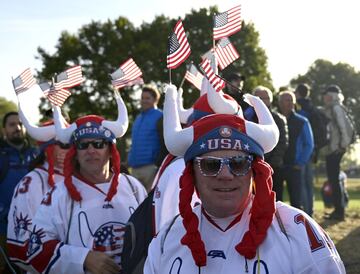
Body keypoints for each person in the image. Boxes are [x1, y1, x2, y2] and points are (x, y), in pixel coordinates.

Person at [144, 86, 344, 273]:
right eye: (210, 165)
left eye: (238, 163)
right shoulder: (167, 238)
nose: (225, 174)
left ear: (255, 170)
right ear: (191, 173)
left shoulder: (296, 231)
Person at [24, 91, 147, 274]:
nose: (91, 150)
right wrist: (83, 258)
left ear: (110, 150)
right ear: (76, 152)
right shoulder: (60, 194)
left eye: (98, 144)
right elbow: (35, 248)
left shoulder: (133, 186)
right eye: (83, 145)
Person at [6, 103, 70, 271]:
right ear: (48, 149)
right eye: (63, 145)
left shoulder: (76, 178)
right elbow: (22, 247)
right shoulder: (33, 182)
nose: (70, 151)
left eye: (72, 145)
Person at [0, 111, 38, 274]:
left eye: (21, 124)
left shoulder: (38, 154)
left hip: (37, 230)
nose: (18, 128)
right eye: (12, 124)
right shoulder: (1, 156)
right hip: (4, 229)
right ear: (4, 130)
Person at [278, 91, 314, 209]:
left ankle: (298, 226)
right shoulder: (274, 119)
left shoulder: (302, 121)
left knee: (297, 202)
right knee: (276, 201)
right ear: (279, 102)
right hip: (277, 167)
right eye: (286, 100)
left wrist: (300, 163)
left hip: (294, 167)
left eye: (291, 100)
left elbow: (309, 144)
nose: (289, 103)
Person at [128, 85, 168, 191]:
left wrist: (158, 164)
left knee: (149, 203)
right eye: (142, 98)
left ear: (155, 100)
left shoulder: (161, 117)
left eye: (147, 98)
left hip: (151, 167)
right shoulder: (138, 118)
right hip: (135, 167)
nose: (144, 101)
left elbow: (165, 143)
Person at [253, 86, 288, 202]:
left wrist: (273, 163)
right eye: (259, 98)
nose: (263, 101)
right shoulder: (246, 118)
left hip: (274, 168)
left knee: (275, 199)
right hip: (253, 167)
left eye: (266, 98)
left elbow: (283, 142)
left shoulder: (279, 119)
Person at [322, 84, 352, 220]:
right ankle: (338, 210)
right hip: (334, 148)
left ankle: (339, 212)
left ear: (332, 96)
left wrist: (342, 145)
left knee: (334, 180)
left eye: (327, 94)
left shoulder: (336, 108)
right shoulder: (333, 108)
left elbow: (344, 128)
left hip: (336, 149)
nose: (324, 97)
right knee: (334, 180)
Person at [294, 83, 316, 216]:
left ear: (298, 93)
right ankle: (310, 211)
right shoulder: (312, 107)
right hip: (311, 151)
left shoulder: (299, 109)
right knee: (309, 185)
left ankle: (307, 214)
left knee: (301, 185)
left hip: (302, 152)